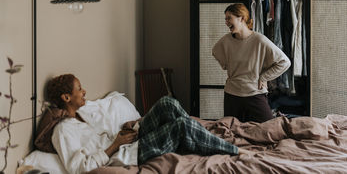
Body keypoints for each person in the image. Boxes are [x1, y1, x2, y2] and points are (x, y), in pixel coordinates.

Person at [47, 74, 243, 174]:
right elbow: (79, 168)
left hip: (125, 141)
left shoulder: (82, 115)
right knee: (181, 125)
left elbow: (101, 138)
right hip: (126, 154)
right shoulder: (63, 131)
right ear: (66, 97)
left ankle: (205, 137)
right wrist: (115, 145)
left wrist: (128, 127)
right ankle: (233, 151)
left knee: (167, 103)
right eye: (79, 89)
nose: (84, 92)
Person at [212, 3, 291, 123]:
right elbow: (215, 51)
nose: (226, 22)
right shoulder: (225, 41)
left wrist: (265, 77)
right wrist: (226, 65)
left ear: (241, 18)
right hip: (232, 95)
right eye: (225, 19)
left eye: (229, 18)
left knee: (268, 129)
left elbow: (284, 62)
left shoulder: (259, 40)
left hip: (254, 93)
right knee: (232, 132)